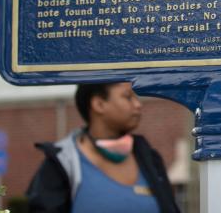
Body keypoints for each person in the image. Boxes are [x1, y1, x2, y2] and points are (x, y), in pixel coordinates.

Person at [26, 82, 179, 213]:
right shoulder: (61, 164)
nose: (138, 104)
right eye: (128, 97)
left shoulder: (150, 159)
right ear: (99, 104)